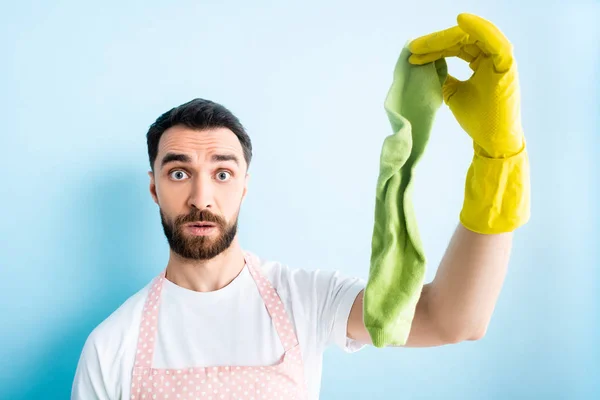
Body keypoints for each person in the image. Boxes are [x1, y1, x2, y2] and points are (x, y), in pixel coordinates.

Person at [72, 13, 528, 400]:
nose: (201, 197)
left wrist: (497, 161)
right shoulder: (112, 346)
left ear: (245, 186)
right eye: (178, 173)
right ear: (154, 189)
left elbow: (451, 319)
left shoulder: (304, 299)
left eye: (222, 173)